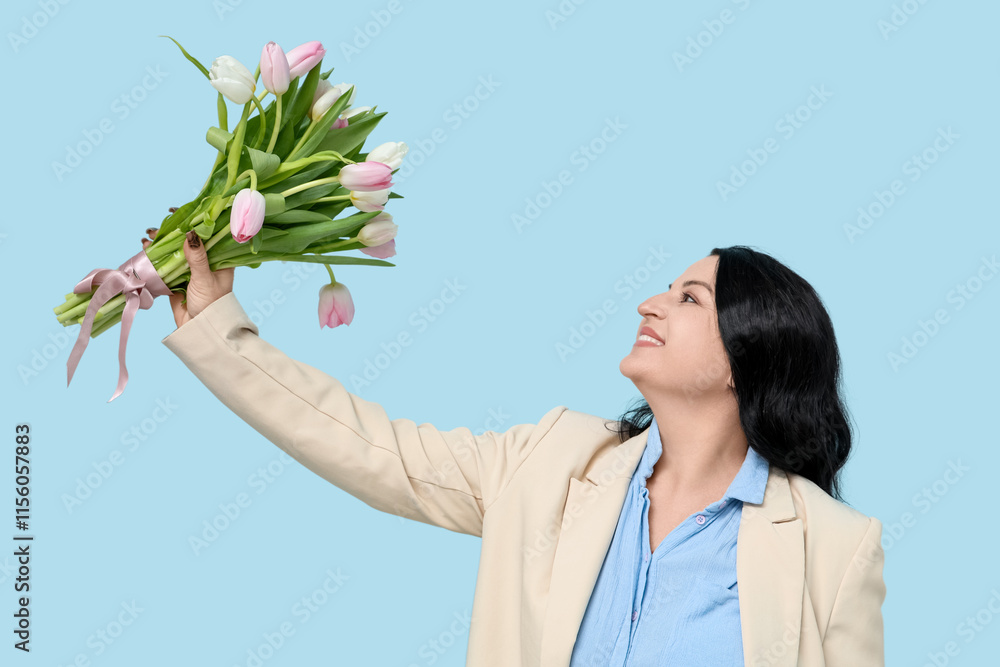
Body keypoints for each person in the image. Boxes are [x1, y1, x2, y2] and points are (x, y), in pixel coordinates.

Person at [145, 228, 886, 666]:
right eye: (668, 287)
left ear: (746, 357)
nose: (650, 303)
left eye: (690, 298)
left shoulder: (833, 546)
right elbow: (371, 446)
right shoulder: (551, 463)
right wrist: (220, 330)